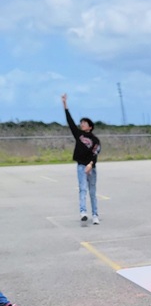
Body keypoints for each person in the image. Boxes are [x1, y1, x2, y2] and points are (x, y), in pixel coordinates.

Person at [61, 94, 101, 223]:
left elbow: (95, 153)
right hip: (81, 166)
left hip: (91, 167)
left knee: (92, 192)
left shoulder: (95, 140)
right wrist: (65, 105)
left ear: (90, 126)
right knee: (82, 189)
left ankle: (95, 215)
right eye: (81, 123)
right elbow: (70, 122)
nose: (82, 124)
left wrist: (91, 164)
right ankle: (83, 212)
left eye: (84, 123)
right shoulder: (79, 135)